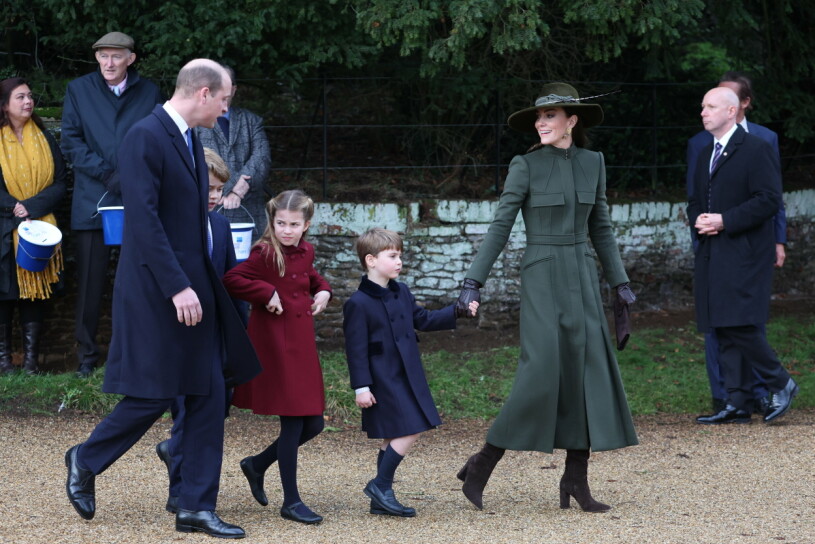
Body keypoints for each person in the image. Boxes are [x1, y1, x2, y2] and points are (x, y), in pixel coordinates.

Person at [64, 59, 261, 539]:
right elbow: (144, 222)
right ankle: (85, 458)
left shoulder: (191, 139)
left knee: (209, 395)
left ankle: (195, 506)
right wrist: (177, 286)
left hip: (197, 290)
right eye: (225, 99)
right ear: (202, 93)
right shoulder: (144, 136)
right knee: (153, 393)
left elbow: (189, 222)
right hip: (159, 291)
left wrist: (201, 284)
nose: (226, 108)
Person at [454, 82, 638, 512]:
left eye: (550, 116)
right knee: (540, 373)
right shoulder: (525, 165)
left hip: (582, 274)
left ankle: (575, 478)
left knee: (587, 372)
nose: (541, 122)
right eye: (539, 117)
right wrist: (472, 281)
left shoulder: (594, 162)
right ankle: (483, 462)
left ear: (571, 121)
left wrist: (620, 282)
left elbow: (602, 227)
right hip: (541, 274)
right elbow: (501, 225)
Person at [343, 228, 478, 518]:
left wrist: (458, 310)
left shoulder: (401, 291)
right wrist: (361, 387)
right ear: (371, 260)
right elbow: (355, 350)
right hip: (381, 379)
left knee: (392, 434)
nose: (399, 261)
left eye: (399, 256)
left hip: (408, 374)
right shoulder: (357, 303)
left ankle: (381, 497)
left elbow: (424, 320)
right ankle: (380, 485)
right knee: (412, 426)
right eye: (392, 256)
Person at [688, 87, 798, 425]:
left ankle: (781, 382)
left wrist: (725, 220)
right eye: (703, 106)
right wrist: (700, 219)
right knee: (720, 324)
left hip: (746, 252)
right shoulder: (707, 150)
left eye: (710, 106)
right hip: (714, 249)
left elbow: (768, 200)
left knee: (738, 322)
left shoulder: (756, 149)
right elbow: (696, 196)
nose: (703, 112)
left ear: (732, 111)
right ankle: (737, 401)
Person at [222, 189, 331, 525]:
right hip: (277, 345)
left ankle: (256, 464)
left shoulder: (306, 250)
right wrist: (265, 292)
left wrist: (324, 290)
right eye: (280, 223)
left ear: (306, 225)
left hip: (302, 344)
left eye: (293, 224)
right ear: (272, 221)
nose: (286, 229)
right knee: (294, 420)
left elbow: (311, 277)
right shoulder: (265, 251)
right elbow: (232, 279)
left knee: (312, 423)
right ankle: (292, 501)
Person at [61, 31, 163, 378]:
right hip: (93, 199)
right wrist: (106, 173)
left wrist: (131, 173)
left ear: (130, 59)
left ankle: (131, 355)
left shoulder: (149, 92)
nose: (108, 62)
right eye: (103, 55)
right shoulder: (78, 89)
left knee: (138, 282)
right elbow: (71, 141)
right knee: (90, 284)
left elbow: (157, 138)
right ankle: (87, 356)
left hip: (138, 202)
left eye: (116, 56)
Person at [154, 147, 247, 514]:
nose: (214, 195)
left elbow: (230, 283)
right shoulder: (169, 227)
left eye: (219, 188)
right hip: (178, 338)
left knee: (211, 413)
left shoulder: (222, 227)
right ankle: (180, 492)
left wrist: (242, 330)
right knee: (186, 413)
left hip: (215, 338)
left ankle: (174, 449)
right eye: (207, 187)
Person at [0, 78, 67, 375]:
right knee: (5, 292)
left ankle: (30, 363)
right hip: (4, 227)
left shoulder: (44, 136)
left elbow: (61, 182)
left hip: (39, 227)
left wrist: (32, 207)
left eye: (30, 96)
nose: (28, 102)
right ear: (4, 104)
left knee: (35, 293)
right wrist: (13, 207)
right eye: (20, 97)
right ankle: (3, 361)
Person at [196, 65, 271, 240]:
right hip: (210, 211)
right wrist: (232, 188)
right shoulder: (195, 123)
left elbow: (262, 158)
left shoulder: (252, 120)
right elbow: (198, 160)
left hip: (249, 212)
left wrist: (240, 190)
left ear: (234, 89)